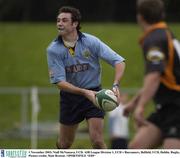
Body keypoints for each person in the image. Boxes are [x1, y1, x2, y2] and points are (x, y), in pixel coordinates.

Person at [46, 6, 125, 149]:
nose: (59, 23)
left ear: (75, 24)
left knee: (97, 141)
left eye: (64, 20)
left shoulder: (91, 42)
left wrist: (116, 85)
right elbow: (59, 82)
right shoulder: (53, 50)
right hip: (69, 97)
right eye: (58, 20)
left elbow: (119, 61)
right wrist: (83, 92)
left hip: (95, 94)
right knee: (64, 144)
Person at [124, 0, 180, 149]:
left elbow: (154, 77)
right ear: (162, 14)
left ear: (140, 17)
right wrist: (134, 102)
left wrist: (141, 107)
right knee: (135, 148)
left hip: (177, 108)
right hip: (166, 108)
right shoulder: (163, 34)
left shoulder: (155, 40)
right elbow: (159, 79)